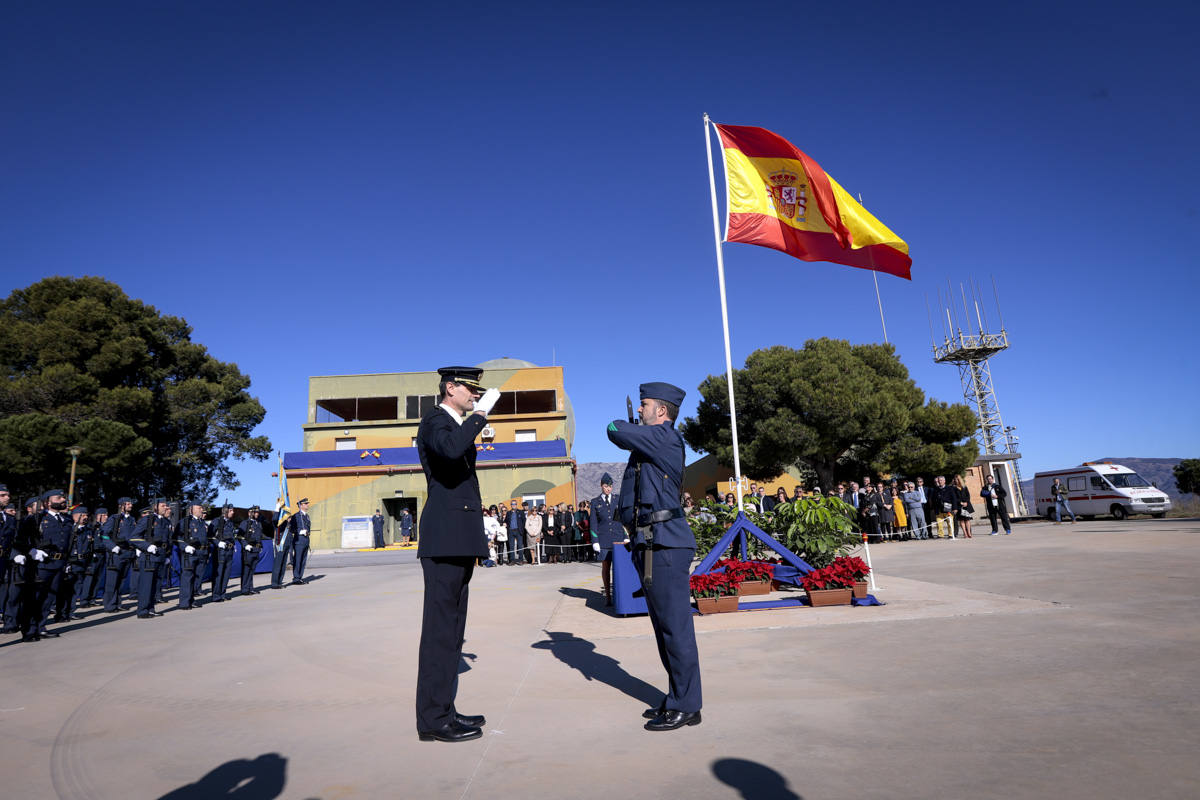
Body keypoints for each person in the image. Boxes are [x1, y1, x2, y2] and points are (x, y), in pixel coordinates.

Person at [608, 381, 702, 732]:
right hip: (650, 542)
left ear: (661, 411)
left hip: (666, 544)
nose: (642, 408)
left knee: (675, 629)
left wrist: (626, 423)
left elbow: (613, 428)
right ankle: (678, 695)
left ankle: (688, 705)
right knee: (664, 629)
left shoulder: (663, 437)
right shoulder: (650, 443)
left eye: (645, 404)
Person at [414, 366, 499, 743]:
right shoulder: (435, 421)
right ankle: (432, 720)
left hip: (458, 538)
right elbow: (450, 452)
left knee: (452, 633)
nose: (475, 396)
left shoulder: (453, 422)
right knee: (439, 633)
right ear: (450, 388)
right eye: (470, 390)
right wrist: (479, 418)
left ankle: (444, 710)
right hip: (444, 539)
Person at [130, 498, 172, 619]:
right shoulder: (147, 520)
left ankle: (151, 608)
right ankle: (142, 610)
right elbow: (133, 537)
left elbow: (168, 540)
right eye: (163, 506)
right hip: (149, 556)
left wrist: (167, 555)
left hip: (160, 555)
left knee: (155, 585)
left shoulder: (166, 522)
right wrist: (147, 546)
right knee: (146, 585)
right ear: (155, 507)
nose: (166, 508)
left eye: (166, 506)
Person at [589, 473, 624, 604]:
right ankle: (608, 597)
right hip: (603, 540)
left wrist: (625, 536)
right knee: (606, 568)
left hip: (618, 538)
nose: (608, 488)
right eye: (605, 486)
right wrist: (595, 541)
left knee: (618, 568)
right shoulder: (595, 502)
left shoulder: (617, 499)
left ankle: (618, 595)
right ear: (601, 486)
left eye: (610, 486)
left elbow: (622, 520)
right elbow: (593, 523)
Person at [100, 497, 137, 613]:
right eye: (128, 503)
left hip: (128, 553)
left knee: (121, 580)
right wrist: (112, 546)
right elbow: (104, 534)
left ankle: (117, 602)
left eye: (131, 503)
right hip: (117, 553)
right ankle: (109, 605)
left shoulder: (132, 519)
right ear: (122, 505)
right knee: (112, 580)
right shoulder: (114, 519)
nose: (131, 505)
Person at [177, 500, 211, 610]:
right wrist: (185, 546)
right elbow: (176, 537)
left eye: (201, 507)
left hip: (202, 553)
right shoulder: (185, 522)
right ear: (191, 509)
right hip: (190, 553)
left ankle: (192, 599)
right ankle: (184, 602)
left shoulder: (202, 523)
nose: (201, 509)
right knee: (187, 578)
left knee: (197, 578)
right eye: (199, 507)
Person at [78, 506, 107, 607]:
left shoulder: (105, 527)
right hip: (93, 554)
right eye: (103, 515)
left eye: (106, 515)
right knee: (89, 578)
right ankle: (84, 600)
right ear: (98, 516)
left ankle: (92, 598)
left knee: (97, 578)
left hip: (102, 554)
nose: (106, 517)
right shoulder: (92, 527)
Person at [210, 503, 239, 601]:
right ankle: (216, 595)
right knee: (219, 573)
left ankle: (223, 593)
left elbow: (231, 536)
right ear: (225, 511)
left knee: (226, 573)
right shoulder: (217, 521)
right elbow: (210, 536)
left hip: (229, 551)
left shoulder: (230, 523)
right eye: (231, 511)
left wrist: (233, 544)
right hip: (220, 551)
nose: (233, 512)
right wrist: (218, 543)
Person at [284, 498, 313, 585]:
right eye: (305, 504)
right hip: (299, 541)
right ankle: (296, 578)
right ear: (300, 505)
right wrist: (300, 532)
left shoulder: (307, 516)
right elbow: (292, 528)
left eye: (307, 503)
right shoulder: (296, 516)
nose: (307, 505)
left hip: (305, 540)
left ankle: (300, 577)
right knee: (298, 560)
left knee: (303, 561)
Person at [238, 505, 265, 594]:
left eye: (258, 512)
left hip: (256, 549)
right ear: (250, 513)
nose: (257, 514)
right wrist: (245, 545)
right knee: (246, 569)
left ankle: (250, 587)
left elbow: (259, 536)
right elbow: (240, 536)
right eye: (255, 512)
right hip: (248, 550)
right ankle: (245, 589)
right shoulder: (245, 523)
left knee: (252, 570)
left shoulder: (258, 523)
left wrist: (260, 546)